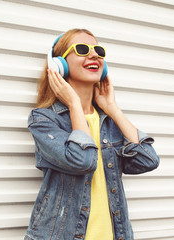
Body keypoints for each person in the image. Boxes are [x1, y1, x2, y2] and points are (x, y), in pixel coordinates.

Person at [25, 28, 160, 240]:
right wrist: (73, 104)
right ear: (58, 64)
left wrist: (113, 108)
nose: (94, 54)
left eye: (98, 50)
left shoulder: (109, 122)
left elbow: (148, 160)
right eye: (82, 49)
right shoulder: (44, 120)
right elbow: (83, 161)